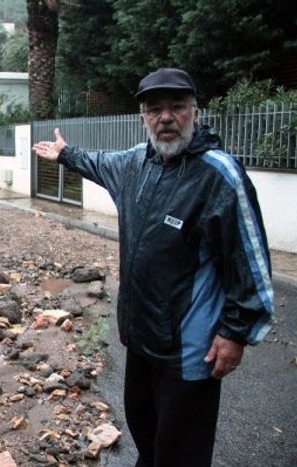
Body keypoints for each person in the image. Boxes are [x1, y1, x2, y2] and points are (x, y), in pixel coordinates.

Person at [33, 68, 273, 467]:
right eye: (154, 109)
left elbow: (250, 260)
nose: (165, 118)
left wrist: (235, 332)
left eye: (176, 107)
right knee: (146, 434)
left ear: (195, 111)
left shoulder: (219, 175)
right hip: (141, 338)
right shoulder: (135, 164)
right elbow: (98, 161)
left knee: (181, 450)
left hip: (189, 351)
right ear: (143, 116)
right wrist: (66, 155)